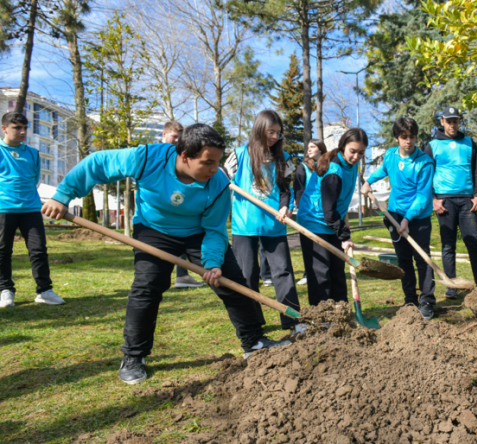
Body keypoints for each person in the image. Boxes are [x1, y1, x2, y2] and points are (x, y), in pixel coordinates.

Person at [42, 123, 290, 385]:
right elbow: (98, 163)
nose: (214, 169)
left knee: (232, 282)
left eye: (217, 162)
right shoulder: (148, 158)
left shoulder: (218, 183)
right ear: (185, 155)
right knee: (148, 285)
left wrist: (213, 263)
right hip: (154, 229)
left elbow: (215, 229)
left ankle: (254, 341)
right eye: (207, 162)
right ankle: (134, 356)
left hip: (199, 231)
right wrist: (63, 195)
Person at [223, 110, 301, 332]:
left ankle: (292, 320)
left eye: (278, 132)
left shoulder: (284, 158)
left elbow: (286, 188)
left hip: (274, 225)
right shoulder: (238, 155)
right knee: (247, 275)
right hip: (244, 226)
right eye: (271, 132)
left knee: (283, 272)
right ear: (259, 129)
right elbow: (221, 179)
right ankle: (252, 324)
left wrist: (285, 206)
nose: (275, 137)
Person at [362, 117, 435, 320]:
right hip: (394, 214)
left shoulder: (425, 163)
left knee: (423, 259)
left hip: (418, 218)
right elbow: (384, 170)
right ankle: (410, 299)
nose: (408, 141)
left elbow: (422, 197)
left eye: (412, 136)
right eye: (404, 137)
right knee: (404, 260)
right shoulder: (390, 156)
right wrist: (369, 181)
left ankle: (427, 300)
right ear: (397, 138)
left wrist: (408, 219)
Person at [0, 112, 64, 308]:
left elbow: (35, 180)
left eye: (25, 128)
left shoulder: (33, 153)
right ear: (4, 129)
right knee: (2, 251)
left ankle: (44, 290)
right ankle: (5, 290)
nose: (22, 132)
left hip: (31, 209)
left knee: (38, 250)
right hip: (3, 209)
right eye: (17, 128)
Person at [297, 128, 366, 306]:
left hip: (332, 219)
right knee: (321, 273)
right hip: (314, 221)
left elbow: (337, 205)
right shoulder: (334, 172)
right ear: (343, 146)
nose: (356, 156)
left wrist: (343, 227)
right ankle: (322, 319)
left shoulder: (352, 164)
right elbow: (328, 211)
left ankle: (341, 311)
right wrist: (344, 236)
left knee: (337, 269)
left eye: (361, 152)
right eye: (353, 151)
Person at [423, 106, 477, 299]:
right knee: (448, 245)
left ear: (460, 122)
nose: (452, 125)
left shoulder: (469, 143)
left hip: (467, 200)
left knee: (473, 242)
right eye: (448, 121)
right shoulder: (432, 146)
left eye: (456, 121)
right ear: (442, 122)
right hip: (444, 201)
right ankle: (451, 286)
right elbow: (426, 175)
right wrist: (433, 199)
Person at [161, 122, 204, 289]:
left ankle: (182, 275)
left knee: (184, 238)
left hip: (180, 208)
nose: (177, 141)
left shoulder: (182, 157)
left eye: (180, 137)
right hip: (161, 215)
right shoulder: (154, 157)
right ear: (164, 135)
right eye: (174, 136)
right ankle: (178, 276)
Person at [293, 139, 327, 286]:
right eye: (308, 148)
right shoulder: (303, 168)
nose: (309, 150)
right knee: (309, 246)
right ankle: (308, 273)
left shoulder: (327, 166)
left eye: (313, 147)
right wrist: (302, 210)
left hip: (324, 214)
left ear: (321, 149)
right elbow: (298, 191)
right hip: (308, 213)